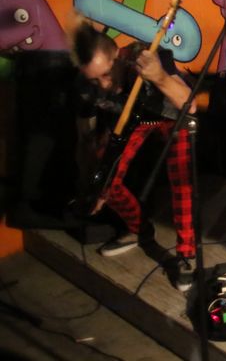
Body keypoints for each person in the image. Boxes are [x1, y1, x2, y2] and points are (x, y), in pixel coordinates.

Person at [71, 21, 197, 292]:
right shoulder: (84, 86)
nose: (104, 84)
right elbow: (85, 139)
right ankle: (139, 229)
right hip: (134, 122)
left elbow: (191, 104)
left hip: (172, 116)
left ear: (118, 56)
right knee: (105, 179)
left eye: (107, 74)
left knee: (182, 181)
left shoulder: (144, 56)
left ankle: (186, 254)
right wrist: (94, 184)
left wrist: (159, 77)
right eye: (94, 79)